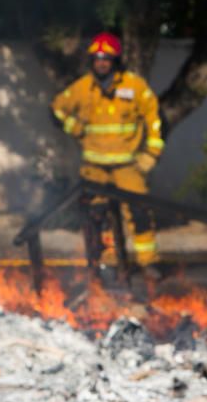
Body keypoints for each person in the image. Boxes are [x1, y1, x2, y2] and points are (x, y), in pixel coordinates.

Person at [50, 32, 163, 283]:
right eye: (97, 59)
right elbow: (56, 109)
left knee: (140, 212)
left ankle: (148, 264)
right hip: (94, 168)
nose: (101, 63)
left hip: (128, 166)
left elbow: (154, 117)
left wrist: (151, 153)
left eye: (106, 59)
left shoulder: (134, 87)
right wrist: (73, 126)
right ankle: (104, 264)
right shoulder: (83, 87)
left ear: (115, 60)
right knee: (97, 217)